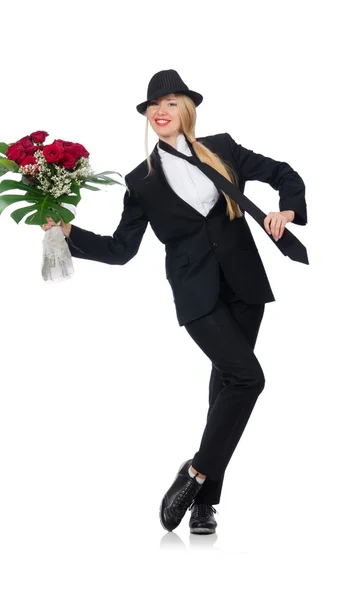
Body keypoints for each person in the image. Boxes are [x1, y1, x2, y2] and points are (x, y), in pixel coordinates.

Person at [43, 69, 307, 535]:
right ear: (147, 116)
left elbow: (283, 173)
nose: (160, 111)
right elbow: (121, 250)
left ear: (186, 109)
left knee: (224, 391)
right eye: (153, 106)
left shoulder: (223, 148)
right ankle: (197, 472)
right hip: (196, 293)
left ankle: (204, 504)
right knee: (248, 379)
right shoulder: (140, 181)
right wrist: (68, 233)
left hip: (245, 286)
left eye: (169, 102)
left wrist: (287, 208)